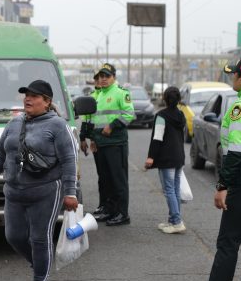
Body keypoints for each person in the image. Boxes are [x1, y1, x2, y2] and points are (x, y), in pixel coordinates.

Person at [0, 80, 78, 281]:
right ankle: (39, 264)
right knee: (13, 236)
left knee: (39, 238)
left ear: (47, 102)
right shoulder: (14, 123)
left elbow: (69, 160)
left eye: (34, 96)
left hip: (44, 192)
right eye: (26, 95)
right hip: (13, 192)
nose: (28, 99)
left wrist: (70, 192)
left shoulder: (57, 126)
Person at [182, 55, 241, 281]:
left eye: (233, 74)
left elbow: (235, 152)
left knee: (227, 244)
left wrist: (223, 185)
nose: (231, 78)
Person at [88, 63, 134, 226]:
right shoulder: (99, 95)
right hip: (101, 144)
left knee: (118, 180)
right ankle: (109, 210)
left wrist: (112, 125)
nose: (103, 79)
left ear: (114, 77)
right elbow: (94, 120)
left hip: (116, 143)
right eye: (101, 76)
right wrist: (92, 138)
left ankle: (122, 214)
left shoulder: (121, 93)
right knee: (106, 179)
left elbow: (129, 114)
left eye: (106, 76)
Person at [144, 87, 186, 234]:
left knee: (169, 190)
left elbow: (157, 138)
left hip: (167, 158)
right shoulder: (181, 115)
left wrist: (151, 157)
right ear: (179, 99)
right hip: (179, 156)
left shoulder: (162, 116)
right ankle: (173, 220)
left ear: (164, 99)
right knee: (174, 189)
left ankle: (177, 222)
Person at [79, 73, 108, 218]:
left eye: (100, 79)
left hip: (106, 140)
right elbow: (87, 120)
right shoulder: (92, 97)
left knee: (107, 177)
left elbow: (100, 121)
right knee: (102, 176)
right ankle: (103, 205)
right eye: (96, 79)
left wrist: (93, 139)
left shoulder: (104, 96)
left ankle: (109, 206)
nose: (98, 81)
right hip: (96, 140)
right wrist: (83, 138)